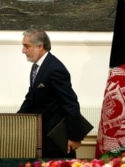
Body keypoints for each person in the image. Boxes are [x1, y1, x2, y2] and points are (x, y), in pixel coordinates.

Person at [17, 28, 83, 158]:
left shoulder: (55, 69)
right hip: (42, 137)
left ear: (40, 46)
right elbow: (31, 97)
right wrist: (16, 120)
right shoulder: (37, 66)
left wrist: (75, 137)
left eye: (26, 46)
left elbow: (71, 104)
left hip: (57, 140)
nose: (23, 50)